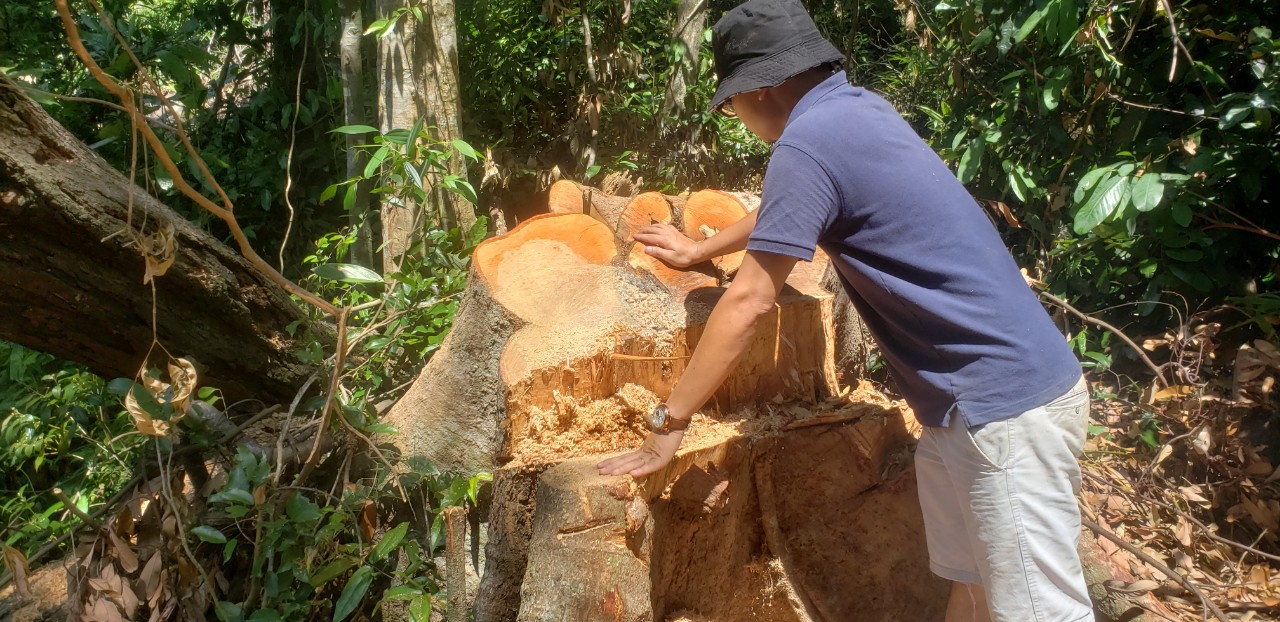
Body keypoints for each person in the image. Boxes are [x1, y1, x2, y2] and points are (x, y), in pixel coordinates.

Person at [596, 1, 1094, 621]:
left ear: (763, 89)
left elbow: (750, 299)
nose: (735, 115)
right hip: (968, 407)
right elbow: (788, 208)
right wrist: (701, 247)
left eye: (730, 102)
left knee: (1039, 611)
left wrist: (670, 420)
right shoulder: (853, 113)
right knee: (974, 592)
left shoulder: (809, 143)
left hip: (1002, 411)